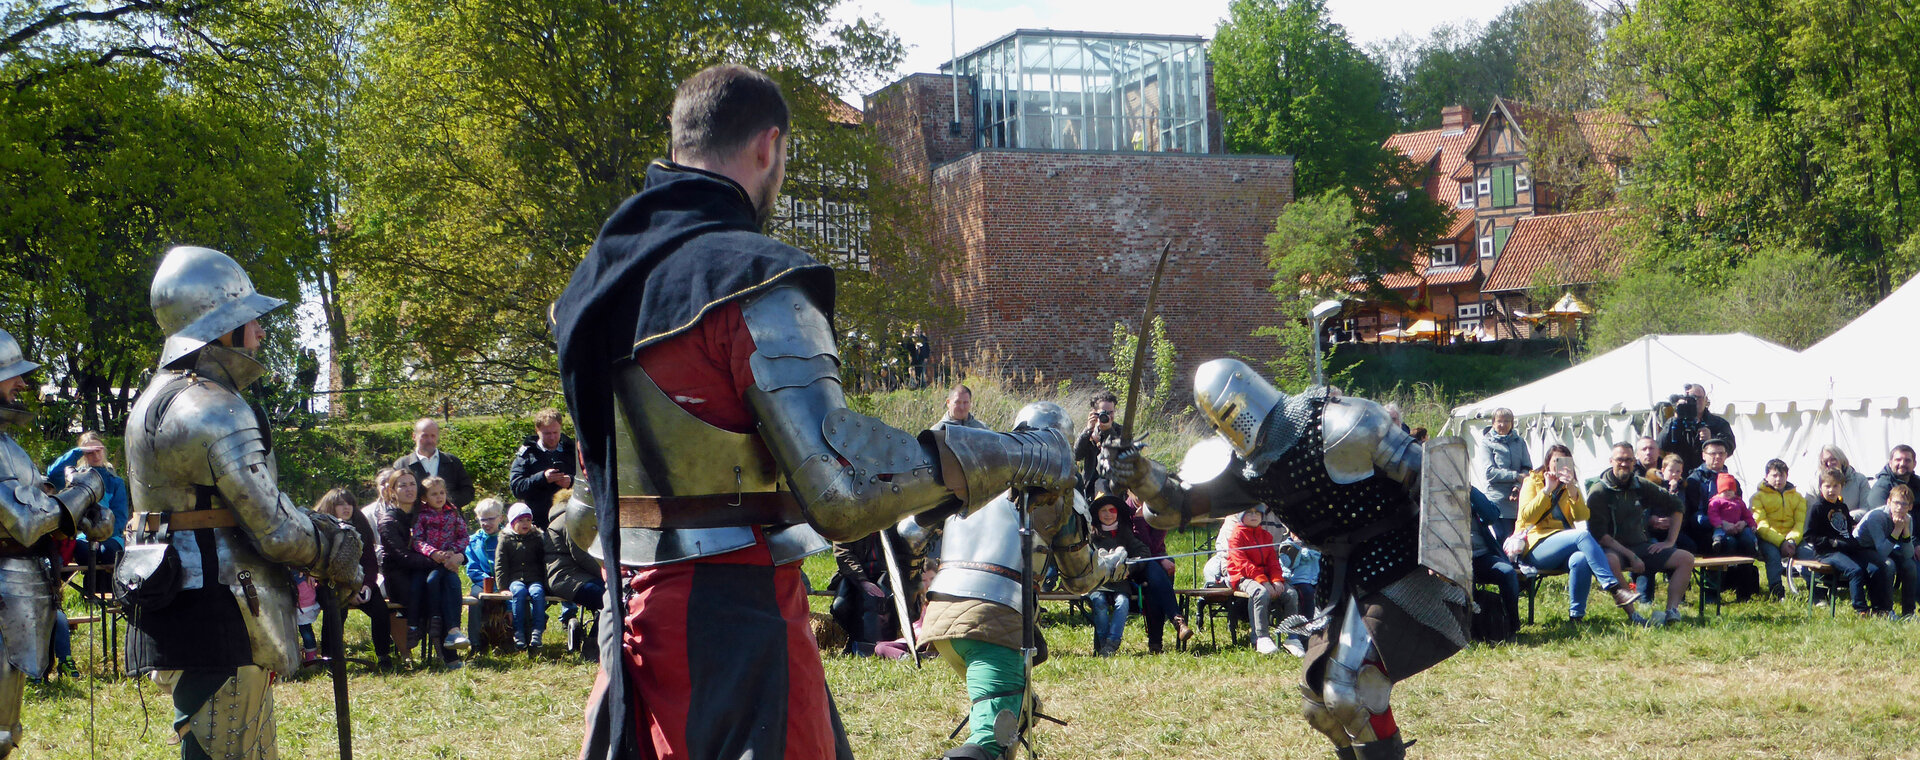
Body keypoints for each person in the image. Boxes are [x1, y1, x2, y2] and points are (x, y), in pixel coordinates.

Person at [548, 64, 1074, 760]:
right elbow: (843, 490)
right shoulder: (754, 280)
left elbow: (586, 510)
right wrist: (1021, 451)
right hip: (735, 613)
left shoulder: (591, 292)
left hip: (634, 615)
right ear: (769, 147)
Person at [1107, 358, 1470, 759]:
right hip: (1340, 575)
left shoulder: (1341, 422)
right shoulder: (1249, 467)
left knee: (1348, 690)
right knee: (1318, 705)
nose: (1229, 425)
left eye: (1229, 413)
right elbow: (1175, 507)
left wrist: (1443, 549)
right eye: (1218, 421)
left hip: (1397, 562)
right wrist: (1141, 474)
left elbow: (1435, 469)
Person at [120, 247, 361, 759]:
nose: (260, 333)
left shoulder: (154, 397)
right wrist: (332, 549)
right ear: (219, 326)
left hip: (181, 589)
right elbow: (272, 527)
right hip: (221, 599)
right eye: (249, 320)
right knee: (230, 748)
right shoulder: (213, 406)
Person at [897, 402, 1124, 760]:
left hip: (941, 620)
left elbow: (909, 530)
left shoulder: (977, 474)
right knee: (990, 744)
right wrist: (1112, 567)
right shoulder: (1058, 489)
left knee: (1016, 711)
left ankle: (1020, 707)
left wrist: (912, 584)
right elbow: (1080, 577)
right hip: (992, 622)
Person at [0, 328, 110, 756]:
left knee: (6, 729)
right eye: (10, 373)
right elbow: (26, 522)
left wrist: (78, 516)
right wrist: (87, 489)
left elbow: (40, 509)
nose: (22, 384)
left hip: (18, 589)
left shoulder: (11, 447)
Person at [1517, 445, 1644, 623]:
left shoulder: (1568, 487)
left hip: (1563, 547)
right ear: (1547, 463)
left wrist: (1573, 491)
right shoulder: (1533, 481)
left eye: (1565, 462)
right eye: (1556, 461)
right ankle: (1614, 588)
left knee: (1580, 559)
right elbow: (1527, 516)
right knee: (1581, 536)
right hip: (1535, 546)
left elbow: (1583, 516)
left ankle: (1576, 617)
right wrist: (1547, 490)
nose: (1560, 466)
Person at [1585, 443, 1694, 625]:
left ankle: (1672, 611)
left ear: (1634, 462)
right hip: (1612, 548)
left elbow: (1677, 505)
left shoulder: (1640, 485)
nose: (1624, 464)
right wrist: (1631, 556)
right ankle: (1634, 616)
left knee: (1686, 558)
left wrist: (1669, 541)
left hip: (1640, 546)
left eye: (1628, 459)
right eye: (1620, 459)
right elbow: (1599, 535)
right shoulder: (1599, 492)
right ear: (1611, 461)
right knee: (1610, 561)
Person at [313, 487, 394, 670]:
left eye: (349, 503)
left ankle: (383, 656)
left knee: (380, 608)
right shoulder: (319, 528)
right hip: (329, 584)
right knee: (336, 608)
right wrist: (348, 591)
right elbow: (321, 569)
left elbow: (370, 563)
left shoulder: (360, 525)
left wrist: (367, 586)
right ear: (330, 506)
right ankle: (330, 659)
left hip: (359, 583)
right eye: (340, 504)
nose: (346, 508)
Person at [1802, 469, 1892, 615]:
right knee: (1854, 570)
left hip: (1846, 549)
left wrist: (1851, 542)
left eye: (1835, 486)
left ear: (1841, 488)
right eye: (1827, 486)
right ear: (1820, 488)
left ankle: (1879, 608)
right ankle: (1861, 609)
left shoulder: (1842, 507)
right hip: (1826, 552)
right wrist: (1832, 543)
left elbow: (1846, 531)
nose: (1831, 490)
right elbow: (1809, 536)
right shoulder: (1817, 508)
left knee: (1875, 568)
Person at [46, 431, 130, 576]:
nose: (96, 456)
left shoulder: (115, 481)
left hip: (111, 536)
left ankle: (109, 592)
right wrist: (78, 451)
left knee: (107, 552)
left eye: (99, 451)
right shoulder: (73, 478)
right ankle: (89, 594)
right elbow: (53, 474)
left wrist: (102, 536)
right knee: (85, 553)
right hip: (81, 537)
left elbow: (120, 516)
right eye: (90, 453)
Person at [1119, 491, 1192, 653]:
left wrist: (1159, 560)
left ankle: (1156, 645)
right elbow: (1137, 547)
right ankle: (1176, 620)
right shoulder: (1123, 511)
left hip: (1156, 565)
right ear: (1129, 491)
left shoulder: (1157, 509)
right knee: (1154, 570)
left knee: (1154, 589)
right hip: (1133, 566)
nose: (1141, 494)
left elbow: (1156, 544)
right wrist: (1138, 520)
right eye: (1135, 490)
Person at [410, 475, 472, 664]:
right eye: (434, 494)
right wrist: (433, 553)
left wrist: (454, 552)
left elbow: (463, 536)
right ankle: (435, 621)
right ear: (424, 497)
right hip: (431, 562)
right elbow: (418, 540)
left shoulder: (452, 513)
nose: (439, 497)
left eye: (442, 493)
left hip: (449, 560)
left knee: (453, 582)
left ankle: (454, 629)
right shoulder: (422, 515)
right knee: (432, 581)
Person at [1226, 507, 1298, 656]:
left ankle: (1293, 636)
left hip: (1264, 576)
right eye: (1249, 513)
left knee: (1291, 593)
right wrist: (1263, 581)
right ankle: (1261, 637)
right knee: (1261, 593)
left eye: (1257, 513)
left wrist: (1277, 580)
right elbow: (1242, 564)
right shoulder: (1236, 536)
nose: (1254, 516)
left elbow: (1273, 561)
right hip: (1242, 576)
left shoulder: (1266, 536)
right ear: (1241, 516)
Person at [540, 489, 602, 660]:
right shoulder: (569, 520)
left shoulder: (564, 518)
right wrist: (608, 574)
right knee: (611, 598)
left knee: (612, 596)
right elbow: (581, 554)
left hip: (571, 576)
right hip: (565, 578)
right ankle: (593, 649)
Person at [1088, 490, 1150, 656]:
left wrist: (1130, 567)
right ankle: (1102, 644)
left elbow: (1143, 551)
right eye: (1103, 511)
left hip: (1119, 583)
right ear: (1097, 514)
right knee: (1099, 603)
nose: (1108, 515)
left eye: (1112, 510)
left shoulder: (1124, 533)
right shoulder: (1090, 535)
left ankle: (1112, 643)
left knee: (1122, 603)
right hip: (1096, 583)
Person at [828, 529, 898, 656]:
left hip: (886, 574)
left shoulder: (891, 524)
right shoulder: (845, 526)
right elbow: (843, 555)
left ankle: (870, 647)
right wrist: (862, 581)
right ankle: (854, 638)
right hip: (854, 576)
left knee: (877, 601)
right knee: (839, 606)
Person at [1854, 484, 1915, 617]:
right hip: (1861, 548)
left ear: (1910, 507)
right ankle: (1886, 610)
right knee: (1888, 564)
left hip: (1884, 547)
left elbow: (1908, 554)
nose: (1899, 508)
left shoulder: (1907, 519)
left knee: (1910, 565)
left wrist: (1905, 532)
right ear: (1888, 502)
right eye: (1896, 503)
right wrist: (1897, 530)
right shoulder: (1877, 517)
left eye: (1904, 504)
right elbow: (1882, 552)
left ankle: (1909, 612)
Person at [1467, 488, 1520, 639]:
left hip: (1482, 556)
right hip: (1456, 558)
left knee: (1507, 573)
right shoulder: (1438, 495)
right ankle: (1470, 629)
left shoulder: (1469, 493)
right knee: (1466, 578)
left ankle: (1512, 626)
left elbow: (1492, 516)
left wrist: (1471, 490)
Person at [507, 408, 574, 528]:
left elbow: (590, 481)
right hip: (539, 523)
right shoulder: (527, 454)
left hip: (570, 520)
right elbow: (517, 488)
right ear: (537, 430)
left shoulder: (572, 451)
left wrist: (571, 481)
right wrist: (542, 478)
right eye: (547, 433)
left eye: (556, 432)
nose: (552, 437)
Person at [1750, 460, 1807, 600]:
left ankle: (1816, 592)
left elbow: (1800, 523)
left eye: (1782, 476)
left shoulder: (1798, 497)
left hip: (1793, 539)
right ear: (1766, 476)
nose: (1778, 479)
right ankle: (1777, 592)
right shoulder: (1757, 497)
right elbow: (1761, 525)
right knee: (1773, 555)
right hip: (1768, 539)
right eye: (1774, 475)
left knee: (1809, 553)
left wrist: (1791, 541)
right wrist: (1781, 542)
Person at [496, 503, 549, 650]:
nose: (525, 524)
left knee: (537, 593)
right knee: (518, 593)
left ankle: (537, 631)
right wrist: (502, 587)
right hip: (516, 578)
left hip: (534, 578)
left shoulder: (537, 538)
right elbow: (500, 564)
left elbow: (544, 560)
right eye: (521, 521)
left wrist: (546, 582)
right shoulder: (506, 539)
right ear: (512, 523)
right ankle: (518, 631)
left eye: (528, 520)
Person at [394, 418, 475, 508]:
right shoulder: (402, 465)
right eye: (425, 436)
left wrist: (445, 505)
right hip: (415, 520)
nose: (430, 440)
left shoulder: (452, 462)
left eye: (433, 436)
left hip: (450, 519)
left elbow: (468, 491)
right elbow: (394, 494)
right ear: (414, 436)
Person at [1476, 408, 1530, 541]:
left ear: (1512, 423)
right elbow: (1490, 473)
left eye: (1507, 421)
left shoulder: (1519, 442)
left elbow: (1527, 468)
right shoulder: (1487, 443)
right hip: (1498, 501)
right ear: (1493, 423)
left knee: (1519, 540)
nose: (1503, 425)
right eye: (1499, 421)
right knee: (1504, 539)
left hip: (1518, 499)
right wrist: (1515, 476)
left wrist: (1517, 486)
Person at [1659, 382, 1737, 472]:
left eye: (1698, 398)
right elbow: (1662, 445)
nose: (1695, 402)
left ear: (1705, 400)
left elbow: (1730, 447)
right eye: (1691, 398)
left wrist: (1711, 439)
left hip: (1709, 474)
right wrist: (1677, 415)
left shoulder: (1718, 423)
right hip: (1682, 475)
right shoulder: (1675, 422)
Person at [1683, 439, 1734, 550]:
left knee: (1748, 540)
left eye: (1721, 453)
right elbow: (1695, 515)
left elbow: (1738, 505)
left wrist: (1742, 522)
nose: (1717, 456)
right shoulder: (1694, 480)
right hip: (1703, 528)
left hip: (1731, 524)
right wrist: (1720, 523)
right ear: (1704, 456)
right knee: (1729, 542)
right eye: (1713, 453)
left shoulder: (1731, 480)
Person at [1074, 391, 1125, 493]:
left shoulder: (1121, 431)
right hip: (1090, 486)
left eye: (1111, 412)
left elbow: (1121, 455)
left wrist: (1109, 431)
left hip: (1114, 487)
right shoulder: (1089, 432)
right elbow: (1076, 455)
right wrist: (1088, 430)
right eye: (1104, 412)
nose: (1108, 416)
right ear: (1095, 412)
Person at [1708, 473, 1759, 559]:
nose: (1728, 492)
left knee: (1748, 535)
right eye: (1724, 490)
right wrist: (1720, 524)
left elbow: (1747, 515)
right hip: (1723, 527)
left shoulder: (1739, 502)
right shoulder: (1716, 501)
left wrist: (1751, 524)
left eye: (1730, 490)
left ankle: (1753, 549)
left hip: (1738, 527)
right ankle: (1717, 541)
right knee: (1722, 535)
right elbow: (1713, 514)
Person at [1817, 445, 1873, 520]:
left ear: (1841, 460)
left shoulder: (1860, 480)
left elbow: (1866, 510)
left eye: (1833, 460)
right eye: (1825, 462)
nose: (1829, 464)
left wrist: (1845, 517)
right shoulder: (1816, 484)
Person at [465, 498, 505, 591]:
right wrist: (490, 584)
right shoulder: (473, 541)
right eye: (483, 520)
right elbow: (473, 569)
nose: (486, 523)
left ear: (500, 518)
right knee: (477, 597)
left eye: (491, 519)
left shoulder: (509, 539)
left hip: (507, 582)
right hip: (483, 583)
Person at [1866, 444, 1919, 512]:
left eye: (1907, 460)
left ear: (1914, 464)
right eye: (1898, 460)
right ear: (1890, 463)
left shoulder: (1917, 483)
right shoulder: (1881, 487)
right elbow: (1879, 517)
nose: (1902, 463)